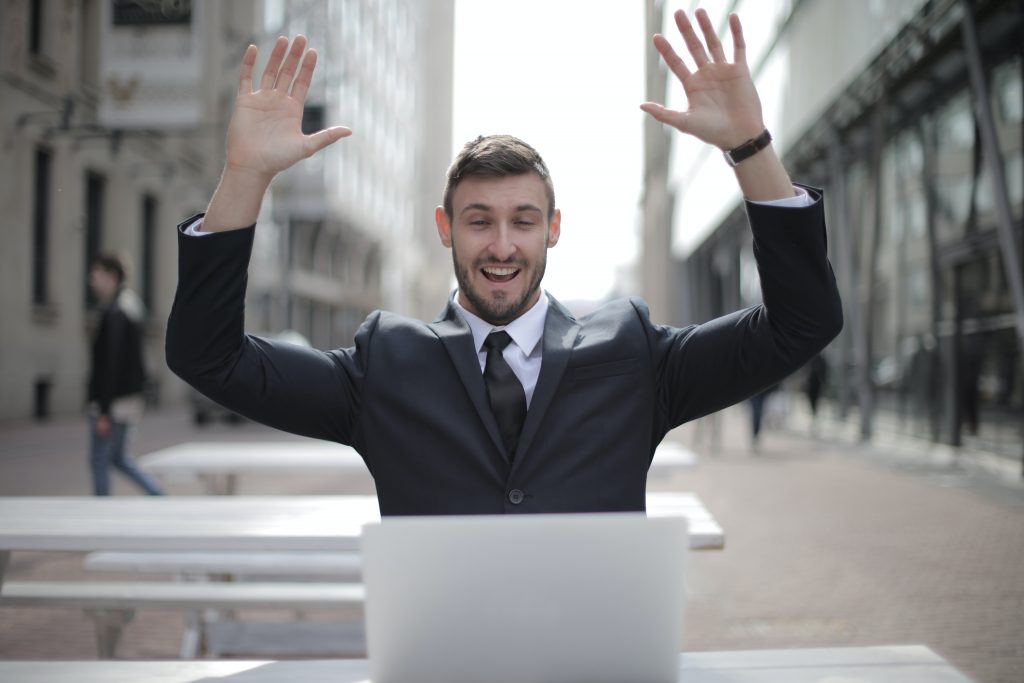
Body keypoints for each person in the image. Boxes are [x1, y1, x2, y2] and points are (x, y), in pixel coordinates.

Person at [166, 9, 842, 515]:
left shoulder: (634, 356)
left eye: (523, 221)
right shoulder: (384, 367)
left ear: (553, 230)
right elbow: (209, 357)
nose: (501, 245)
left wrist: (751, 148)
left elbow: (801, 323)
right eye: (478, 221)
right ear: (444, 229)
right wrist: (245, 177)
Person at [87, 252, 164, 496]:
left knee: (101, 459)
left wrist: (104, 410)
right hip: (126, 397)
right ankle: (161, 498)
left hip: (115, 401)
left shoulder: (117, 311)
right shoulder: (127, 305)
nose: (92, 280)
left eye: (96, 274)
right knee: (117, 458)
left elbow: (112, 364)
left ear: (111, 277)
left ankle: (103, 514)